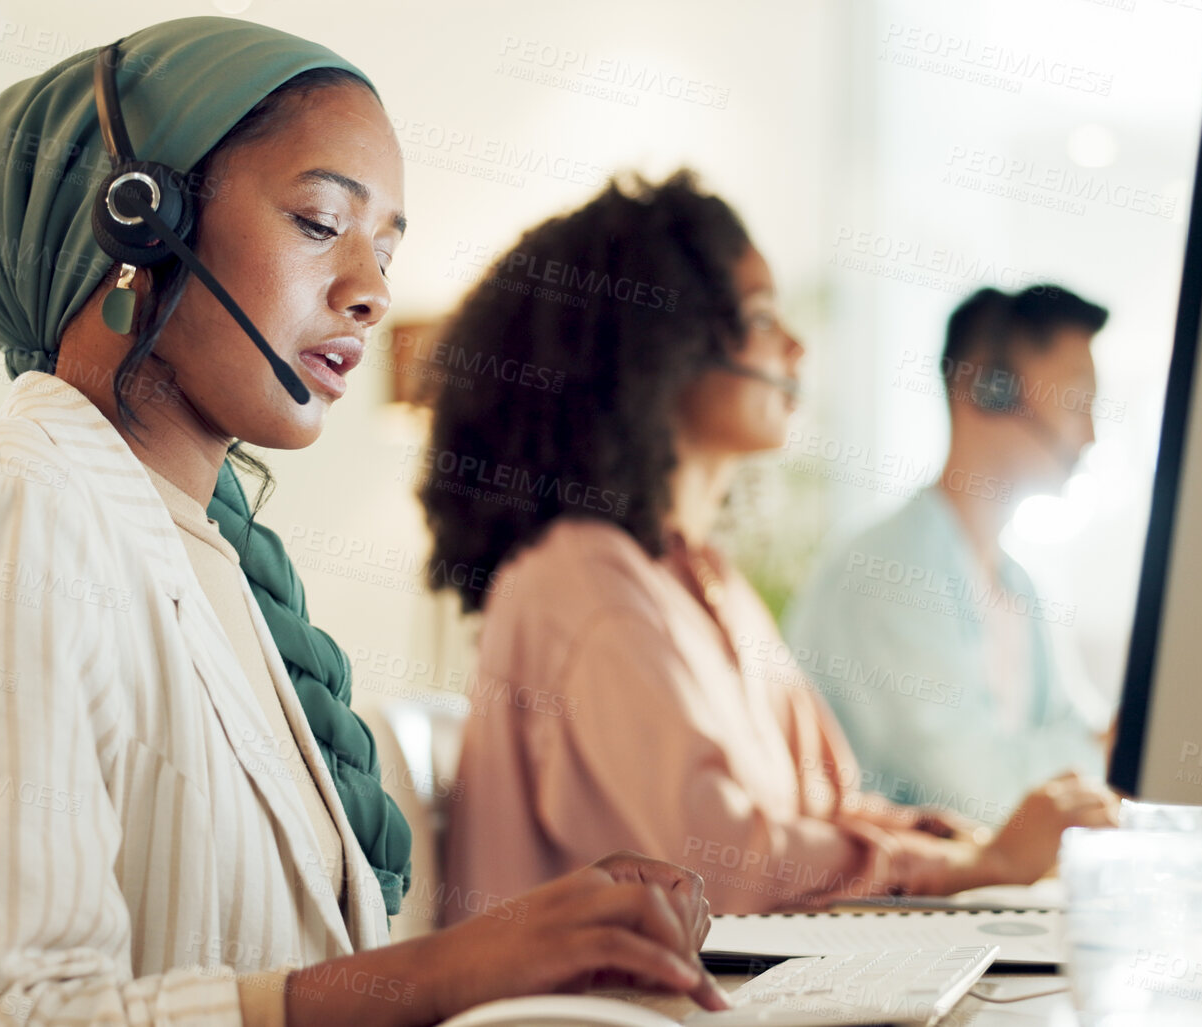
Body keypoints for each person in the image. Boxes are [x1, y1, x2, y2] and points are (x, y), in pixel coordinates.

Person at [0, 19, 730, 1025]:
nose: (372, 293)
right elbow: (6, 1013)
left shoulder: (204, 552)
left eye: (386, 246)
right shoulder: (7, 509)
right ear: (138, 224)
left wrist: (534, 947)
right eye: (321, 222)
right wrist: (446, 974)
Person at [423, 174, 1116, 920]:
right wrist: (974, 862)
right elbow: (713, 867)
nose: (794, 346)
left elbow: (826, 807)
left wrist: (964, 848)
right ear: (658, 347)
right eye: (758, 317)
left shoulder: (704, 582)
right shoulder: (584, 585)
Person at [784, 285, 1113, 822]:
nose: (1093, 435)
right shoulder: (890, 571)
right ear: (989, 388)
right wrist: (1108, 751)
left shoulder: (1019, 587)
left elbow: (1079, 731)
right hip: (883, 901)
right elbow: (978, 796)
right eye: (1079, 400)